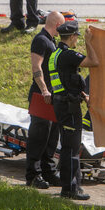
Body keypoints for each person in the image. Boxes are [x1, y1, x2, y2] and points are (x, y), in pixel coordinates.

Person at [47, 20, 99, 200]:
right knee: (71, 148)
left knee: (69, 146)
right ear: (71, 37)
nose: (77, 39)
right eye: (77, 36)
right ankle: (69, 189)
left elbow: (66, 80)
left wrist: (82, 93)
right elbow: (94, 62)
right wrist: (89, 41)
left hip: (63, 104)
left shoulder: (56, 53)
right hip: (69, 108)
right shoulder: (68, 55)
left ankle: (73, 186)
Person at [25, 10, 66, 189]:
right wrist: (44, 90)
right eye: (62, 26)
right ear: (57, 25)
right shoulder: (41, 40)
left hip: (53, 97)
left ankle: (48, 171)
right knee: (38, 137)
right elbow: (36, 67)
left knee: (51, 137)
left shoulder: (52, 41)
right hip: (42, 96)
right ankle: (33, 176)